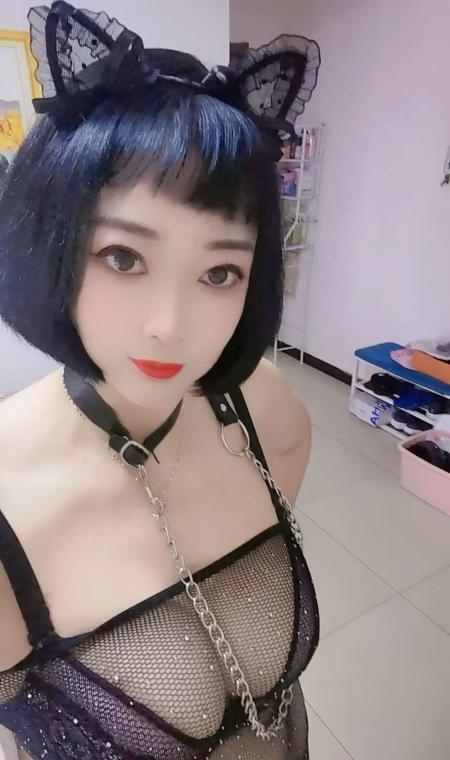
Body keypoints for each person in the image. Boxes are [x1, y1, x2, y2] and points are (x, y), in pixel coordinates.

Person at [0, 2, 321, 759]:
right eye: (123, 258)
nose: (170, 326)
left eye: (220, 271)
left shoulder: (264, 408)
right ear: (54, 242)